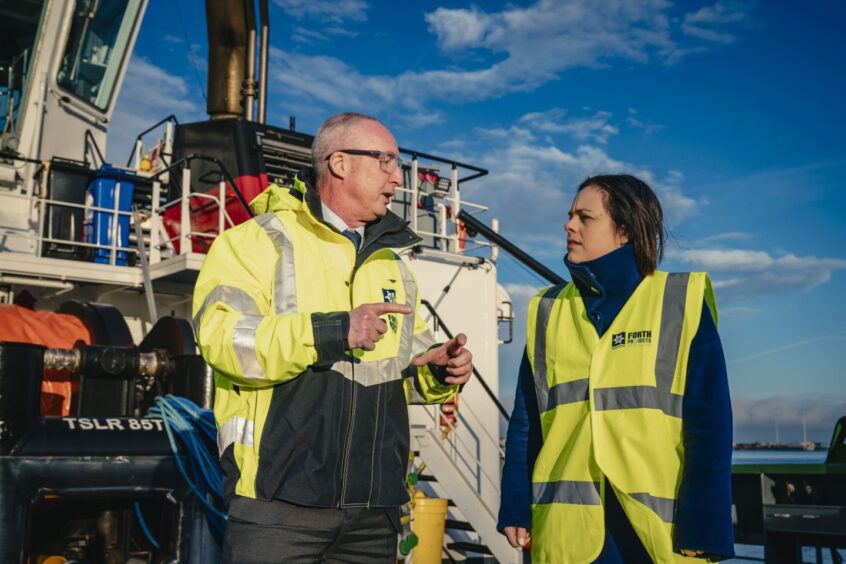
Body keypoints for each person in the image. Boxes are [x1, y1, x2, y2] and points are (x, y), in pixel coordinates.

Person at [193, 112, 473, 563]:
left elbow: (403, 364)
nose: (397, 178)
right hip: (278, 506)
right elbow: (224, 339)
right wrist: (333, 330)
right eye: (385, 160)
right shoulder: (253, 242)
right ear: (340, 163)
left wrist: (438, 370)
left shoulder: (394, 264)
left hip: (373, 512)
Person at [498, 174, 734, 562]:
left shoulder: (679, 299)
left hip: (657, 534)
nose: (568, 225)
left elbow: (709, 424)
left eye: (584, 218)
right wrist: (516, 504)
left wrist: (706, 526)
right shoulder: (547, 310)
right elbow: (526, 422)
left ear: (624, 231)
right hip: (567, 531)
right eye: (570, 215)